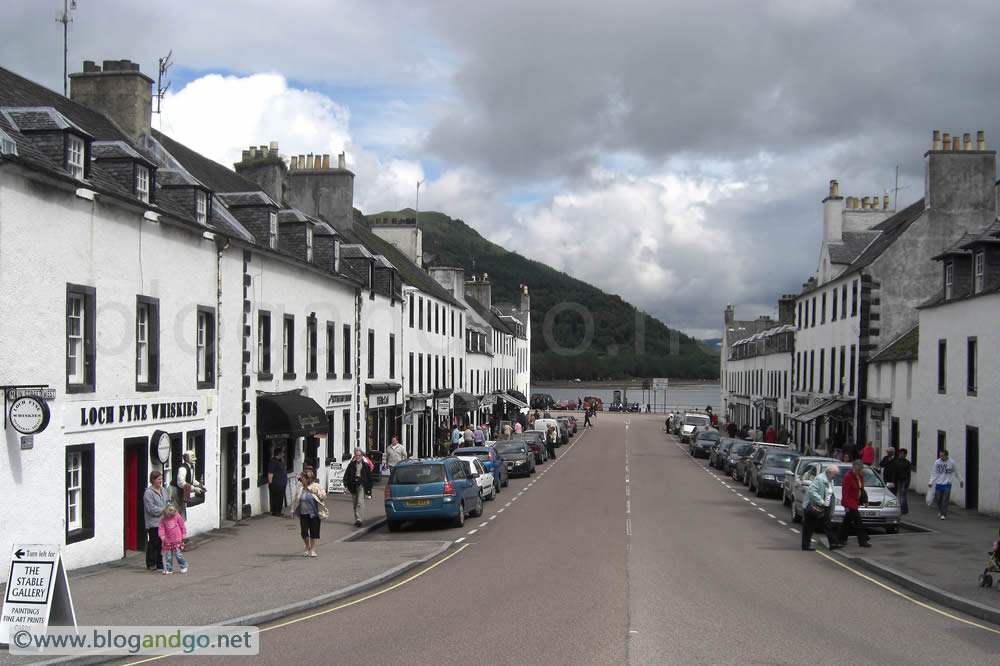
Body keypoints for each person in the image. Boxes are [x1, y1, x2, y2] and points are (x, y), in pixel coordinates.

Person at [801, 464, 842, 551]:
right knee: (809, 526)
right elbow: (811, 491)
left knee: (828, 525)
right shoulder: (819, 479)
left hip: (825, 506)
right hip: (814, 506)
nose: (836, 476)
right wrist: (821, 501)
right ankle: (806, 545)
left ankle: (833, 543)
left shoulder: (831, 480)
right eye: (835, 474)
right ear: (829, 473)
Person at [289, 469, 327, 557]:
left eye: (303, 477)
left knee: (314, 532)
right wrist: (292, 511)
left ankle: (313, 550)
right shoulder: (301, 488)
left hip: (314, 513)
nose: (301, 479)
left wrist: (316, 492)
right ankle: (307, 546)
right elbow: (295, 500)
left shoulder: (316, 486)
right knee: (304, 533)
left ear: (307, 478)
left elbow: (324, 495)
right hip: (303, 513)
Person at [838, 460, 871, 547]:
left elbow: (861, 489)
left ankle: (841, 538)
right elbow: (845, 492)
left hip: (856, 501)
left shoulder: (860, 475)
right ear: (853, 468)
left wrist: (866, 500)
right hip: (850, 502)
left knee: (847, 522)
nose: (858, 472)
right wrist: (845, 505)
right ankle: (863, 540)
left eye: (859, 470)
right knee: (858, 522)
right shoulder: (847, 477)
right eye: (856, 470)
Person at [143, 472, 169, 571]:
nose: (160, 481)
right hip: (153, 522)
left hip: (163, 521)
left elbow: (167, 501)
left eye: (161, 479)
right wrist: (163, 510)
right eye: (158, 479)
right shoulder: (148, 493)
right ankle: (151, 563)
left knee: (160, 543)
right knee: (153, 542)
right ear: (153, 480)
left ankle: (159, 562)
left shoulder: (163, 490)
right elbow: (150, 508)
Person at [928, 449, 964, 520]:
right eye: (940, 455)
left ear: (946, 456)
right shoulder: (937, 462)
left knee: (945, 499)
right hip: (939, 483)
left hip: (947, 483)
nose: (941, 457)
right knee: (938, 499)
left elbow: (957, 471)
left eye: (942, 455)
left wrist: (961, 480)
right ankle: (941, 510)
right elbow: (934, 473)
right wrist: (931, 482)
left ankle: (943, 514)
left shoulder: (952, 462)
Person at [343, 448, 373, 527]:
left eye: (359, 455)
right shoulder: (351, 465)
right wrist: (345, 485)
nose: (358, 457)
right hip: (353, 485)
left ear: (362, 456)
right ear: (355, 456)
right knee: (355, 503)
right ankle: (356, 519)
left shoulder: (365, 465)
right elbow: (346, 475)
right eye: (356, 455)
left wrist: (369, 490)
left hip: (362, 485)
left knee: (360, 502)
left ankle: (359, 519)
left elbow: (369, 478)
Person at [158, 503, 188, 574]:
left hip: (177, 539)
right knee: (168, 556)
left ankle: (183, 566)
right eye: (168, 515)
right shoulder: (163, 520)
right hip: (168, 540)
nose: (170, 517)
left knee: (178, 554)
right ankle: (169, 569)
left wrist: (184, 533)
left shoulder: (177, 516)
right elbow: (161, 528)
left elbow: (182, 525)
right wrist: (162, 535)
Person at [173, 452, 204, 521]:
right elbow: (180, 482)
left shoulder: (191, 467)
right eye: (192, 457)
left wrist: (200, 485)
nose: (195, 459)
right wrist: (194, 489)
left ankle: (180, 530)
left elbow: (191, 480)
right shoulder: (182, 468)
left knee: (181, 514)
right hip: (175, 492)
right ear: (187, 458)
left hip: (181, 492)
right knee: (175, 513)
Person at [267, 447, 288, 516]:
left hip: (282, 483)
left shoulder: (280, 461)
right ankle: (275, 511)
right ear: (279, 453)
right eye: (282, 453)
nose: (283, 454)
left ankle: (278, 511)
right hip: (276, 483)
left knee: (280, 497)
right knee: (275, 497)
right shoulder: (273, 461)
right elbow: (270, 473)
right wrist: (270, 483)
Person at [894, 449, 912, 514]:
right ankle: (904, 509)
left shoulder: (907, 463)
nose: (900, 455)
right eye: (900, 453)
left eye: (902, 453)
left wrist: (907, 482)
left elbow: (908, 474)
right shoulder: (896, 461)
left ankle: (902, 509)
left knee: (902, 495)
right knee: (901, 495)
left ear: (905, 454)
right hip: (898, 480)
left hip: (904, 480)